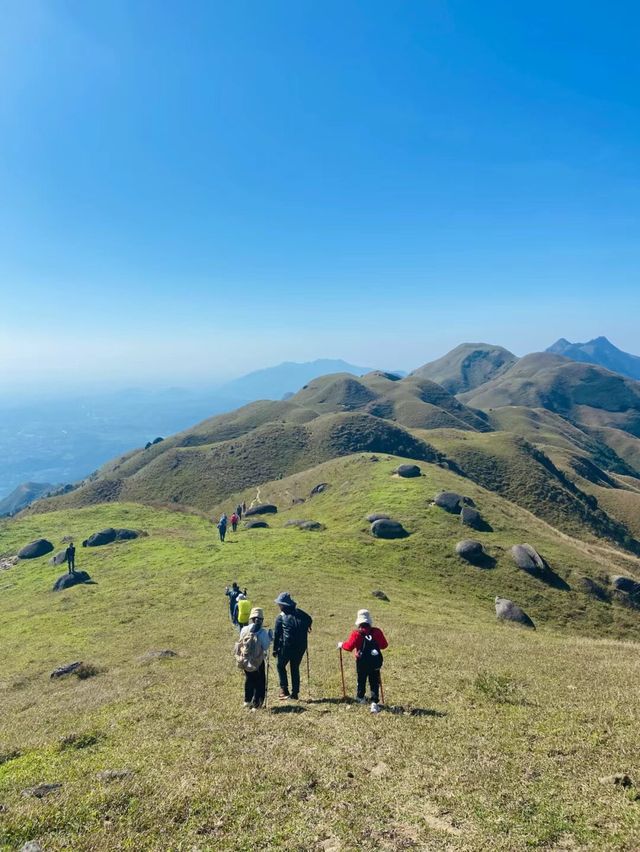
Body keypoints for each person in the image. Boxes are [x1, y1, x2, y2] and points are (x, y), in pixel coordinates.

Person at [338, 609, 388, 714]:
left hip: (361, 662)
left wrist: (341, 644)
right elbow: (384, 645)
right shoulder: (377, 631)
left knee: (361, 679)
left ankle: (360, 697)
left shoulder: (356, 634)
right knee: (374, 681)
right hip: (375, 662)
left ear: (359, 622)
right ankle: (374, 703)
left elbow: (349, 647)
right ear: (369, 621)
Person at [273, 592, 312, 701]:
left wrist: (275, 650)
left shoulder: (280, 617)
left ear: (284, 605)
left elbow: (276, 635)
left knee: (280, 666)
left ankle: (284, 689)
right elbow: (309, 619)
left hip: (287, 646)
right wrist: (308, 627)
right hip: (301, 646)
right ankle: (295, 694)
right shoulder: (300, 613)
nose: (278, 606)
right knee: (294, 667)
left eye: (279, 604)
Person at [236, 607, 272, 709]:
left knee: (249, 679)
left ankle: (247, 701)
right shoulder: (262, 632)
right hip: (258, 661)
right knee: (259, 682)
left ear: (251, 618)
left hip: (245, 660)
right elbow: (265, 647)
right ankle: (257, 704)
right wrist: (270, 638)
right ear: (262, 619)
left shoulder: (244, 629)